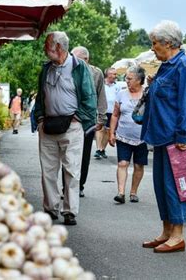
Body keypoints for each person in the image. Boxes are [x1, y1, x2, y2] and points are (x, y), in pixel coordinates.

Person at [141, 20, 186, 253]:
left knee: (174, 187)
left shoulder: (184, 66)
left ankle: (177, 235)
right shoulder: (166, 65)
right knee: (161, 187)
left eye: (155, 44)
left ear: (167, 43)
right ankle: (166, 231)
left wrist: (184, 135)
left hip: (175, 138)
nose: (153, 48)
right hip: (161, 135)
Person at [33, 31, 97, 225]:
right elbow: (40, 96)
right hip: (49, 125)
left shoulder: (79, 68)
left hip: (72, 126)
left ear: (59, 48)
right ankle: (50, 208)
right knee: (48, 170)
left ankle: (69, 211)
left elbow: (89, 97)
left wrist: (78, 119)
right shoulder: (46, 68)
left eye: (47, 46)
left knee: (71, 169)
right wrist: (40, 118)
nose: (45, 50)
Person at [71, 46, 107, 197]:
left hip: (87, 121)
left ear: (86, 59)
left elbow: (101, 96)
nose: (72, 61)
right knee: (68, 154)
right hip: (69, 119)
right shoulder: (68, 69)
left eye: (76, 58)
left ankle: (79, 185)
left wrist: (102, 118)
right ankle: (67, 185)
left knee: (84, 155)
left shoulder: (96, 73)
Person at [108, 66, 148, 204]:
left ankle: (133, 192)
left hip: (142, 138)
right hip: (123, 135)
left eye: (129, 78)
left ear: (139, 80)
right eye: (126, 78)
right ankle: (120, 192)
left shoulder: (147, 94)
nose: (127, 81)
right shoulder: (121, 94)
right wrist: (111, 133)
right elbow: (115, 115)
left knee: (138, 166)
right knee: (123, 163)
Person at [94, 68, 120, 159]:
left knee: (107, 131)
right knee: (100, 129)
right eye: (113, 74)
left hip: (112, 112)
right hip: (101, 110)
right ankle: (98, 149)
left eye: (116, 74)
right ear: (107, 74)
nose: (115, 76)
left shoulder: (118, 86)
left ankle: (102, 149)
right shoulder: (101, 84)